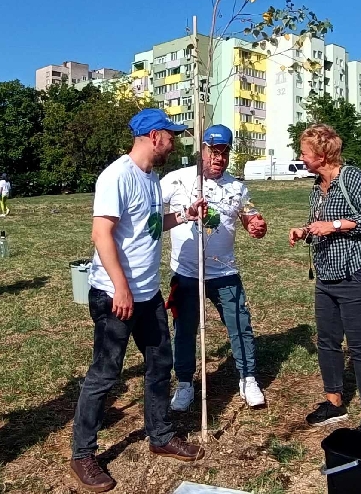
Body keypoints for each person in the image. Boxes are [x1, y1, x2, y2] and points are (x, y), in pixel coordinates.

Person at [70, 108, 207, 492]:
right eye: (171, 135)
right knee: (105, 373)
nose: (175, 141)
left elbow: (147, 226)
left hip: (147, 294)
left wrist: (183, 216)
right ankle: (83, 454)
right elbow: (102, 235)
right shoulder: (117, 176)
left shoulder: (150, 179)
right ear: (153, 136)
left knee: (159, 364)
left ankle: (161, 436)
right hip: (117, 294)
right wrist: (122, 287)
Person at [288, 124, 361, 437]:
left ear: (321, 154)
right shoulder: (317, 185)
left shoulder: (352, 177)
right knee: (328, 341)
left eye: (304, 152)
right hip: (327, 276)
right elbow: (316, 223)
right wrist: (303, 231)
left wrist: (334, 225)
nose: (301, 157)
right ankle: (334, 401)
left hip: (359, 273)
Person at [161, 125, 269, 412]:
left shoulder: (238, 188)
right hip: (186, 274)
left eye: (224, 153)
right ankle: (184, 383)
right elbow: (149, 211)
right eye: (213, 152)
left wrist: (257, 225)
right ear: (203, 150)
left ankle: (248, 379)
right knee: (184, 330)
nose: (219, 158)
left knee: (240, 326)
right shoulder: (177, 181)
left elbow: (251, 218)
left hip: (224, 273)